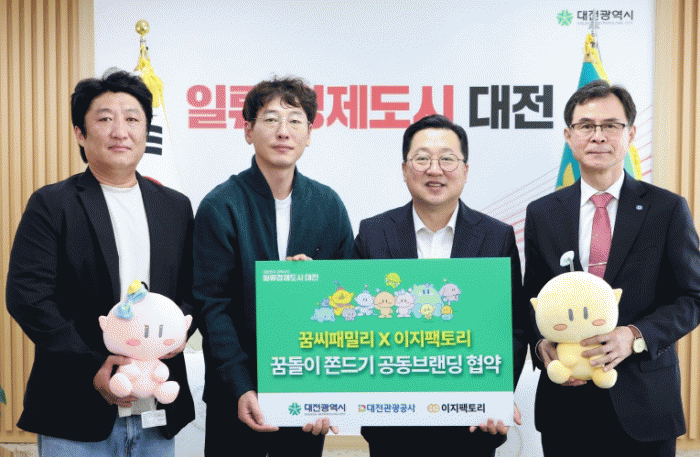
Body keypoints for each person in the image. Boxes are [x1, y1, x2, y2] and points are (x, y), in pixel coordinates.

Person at [5, 69, 196, 456]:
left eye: (133, 119)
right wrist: (93, 364)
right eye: (105, 119)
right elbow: (28, 297)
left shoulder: (175, 206)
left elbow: (194, 289)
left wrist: (175, 336)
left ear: (146, 130)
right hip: (73, 406)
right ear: (80, 132)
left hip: (156, 409)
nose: (120, 131)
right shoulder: (52, 204)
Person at [524, 79, 700, 457]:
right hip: (566, 406)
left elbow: (692, 296)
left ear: (631, 134)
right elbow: (531, 298)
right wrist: (542, 345)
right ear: (569, 136)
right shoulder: (542, 213)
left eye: (611, 125)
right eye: (586, 126)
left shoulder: (667, 209)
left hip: (645, 402)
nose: (598, 136)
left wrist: (634, 335)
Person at [192, 76, 354, 456]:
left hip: (306, 390)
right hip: (236, 393)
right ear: (248, 130)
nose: (284, 132)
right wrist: (241, 385)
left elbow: (348, 297)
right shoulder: (221, 205)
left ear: (309, 134)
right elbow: (212, 305)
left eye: (295, 121)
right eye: (270, 119)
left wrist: (328, 390)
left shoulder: (328, 205)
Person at [353, 114, 528, 457]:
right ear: (405, 169)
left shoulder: (496, 236)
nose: (435, 170)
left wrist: (496, 394)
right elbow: (357, 321)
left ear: (465, 169)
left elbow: (514, 326)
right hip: (394, 421)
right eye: (422, 159)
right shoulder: (373, 233)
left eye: (447, 159)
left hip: (473, 422)